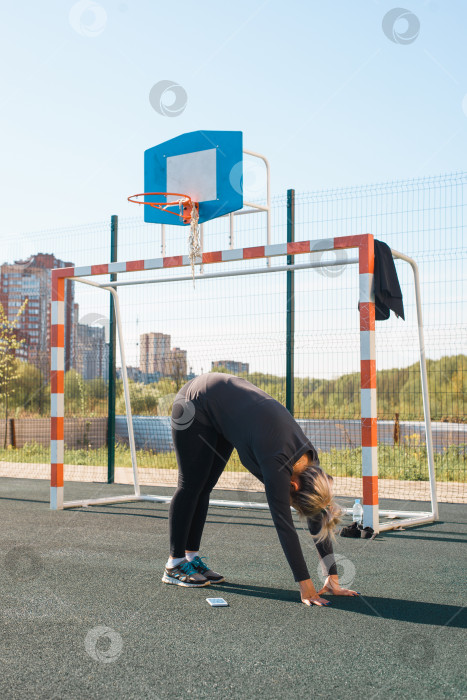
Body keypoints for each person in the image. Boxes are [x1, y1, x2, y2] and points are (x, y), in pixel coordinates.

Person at [162, 373, 359, 606]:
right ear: (293, 486)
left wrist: (331, 577)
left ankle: (191, 559)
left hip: (221, 408)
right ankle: (174, 564)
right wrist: (306, 588)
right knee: (190, 484)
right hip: (194, 403)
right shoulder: (278, 462)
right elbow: (284, 527)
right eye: (293, 502)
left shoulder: (310, 466)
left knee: (204, 487)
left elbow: (318, 511)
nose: (290, 505)